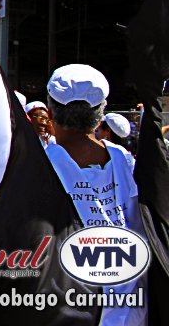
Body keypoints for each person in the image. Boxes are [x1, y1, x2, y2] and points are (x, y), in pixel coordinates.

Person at [44, 64, 145, 326]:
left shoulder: (41, 166)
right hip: (129, 307)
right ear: (101, 111)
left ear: (50, 109)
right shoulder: (124, 160)